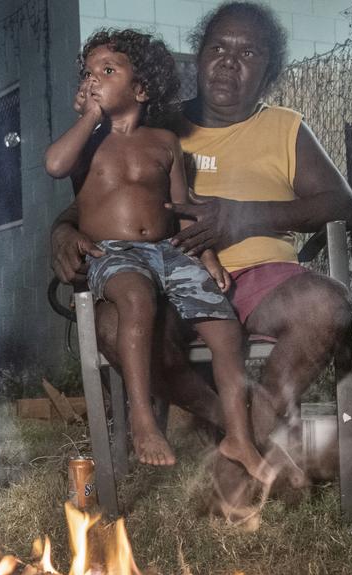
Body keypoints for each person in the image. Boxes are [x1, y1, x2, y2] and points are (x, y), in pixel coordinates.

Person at [49, 1, 352, 509]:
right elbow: (93, 197)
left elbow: (342, 205)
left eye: (248, 52)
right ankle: (228, 427)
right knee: (113, 327)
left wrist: (241, 216)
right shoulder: (157, 126)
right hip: (165, 276)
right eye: (217, 47)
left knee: (325, 306)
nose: (229, 61)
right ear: (199, 57)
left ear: (269, 69)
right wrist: (59, 233)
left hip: (264, 278)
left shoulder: (284, 128)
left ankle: (241, 449)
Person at [44, 29, 270, 482]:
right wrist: (89, 116)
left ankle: (239, 438)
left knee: (225, 328)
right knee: (135, 300)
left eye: (109, 71)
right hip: (114, 252)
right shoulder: (87, 140)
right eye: (90, 74)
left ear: (141, 88)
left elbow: (181, 208)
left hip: (169, 250)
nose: (96, 79)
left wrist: (205, 257)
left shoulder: (165, 141)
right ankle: (142, 420)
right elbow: (54, 165)